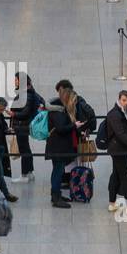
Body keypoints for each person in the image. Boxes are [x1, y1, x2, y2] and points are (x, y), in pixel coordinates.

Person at [45, 78, 97, 209]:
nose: (74, 102)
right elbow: (62, 128)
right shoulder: (58, 111)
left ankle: (56, 194)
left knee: (58, 170)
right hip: (57, 147)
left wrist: (78, 130)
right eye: (72, 100)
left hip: (60, 146)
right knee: (57, 171)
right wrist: (74, 125)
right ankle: (56, 198)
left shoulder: (62, 110)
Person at [102, 89, 127, 215]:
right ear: (119, 99)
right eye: (124, 100)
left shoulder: (124, 111)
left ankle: (112, 203)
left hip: (120, 149)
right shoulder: (114, 114)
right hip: (118, 149)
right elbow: (120, 134)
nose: (126, 103)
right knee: (125, 175)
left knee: (116, 174)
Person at [9, 69, 43, 183]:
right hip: (24, 125)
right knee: (26, 149)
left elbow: (25, 112)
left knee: (24, 150)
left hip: (22, 125)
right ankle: (29, 173)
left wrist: (13, 114)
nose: (15, 82)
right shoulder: (29, 92)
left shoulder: (26, 94)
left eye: (16, 80)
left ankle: (24, 175)